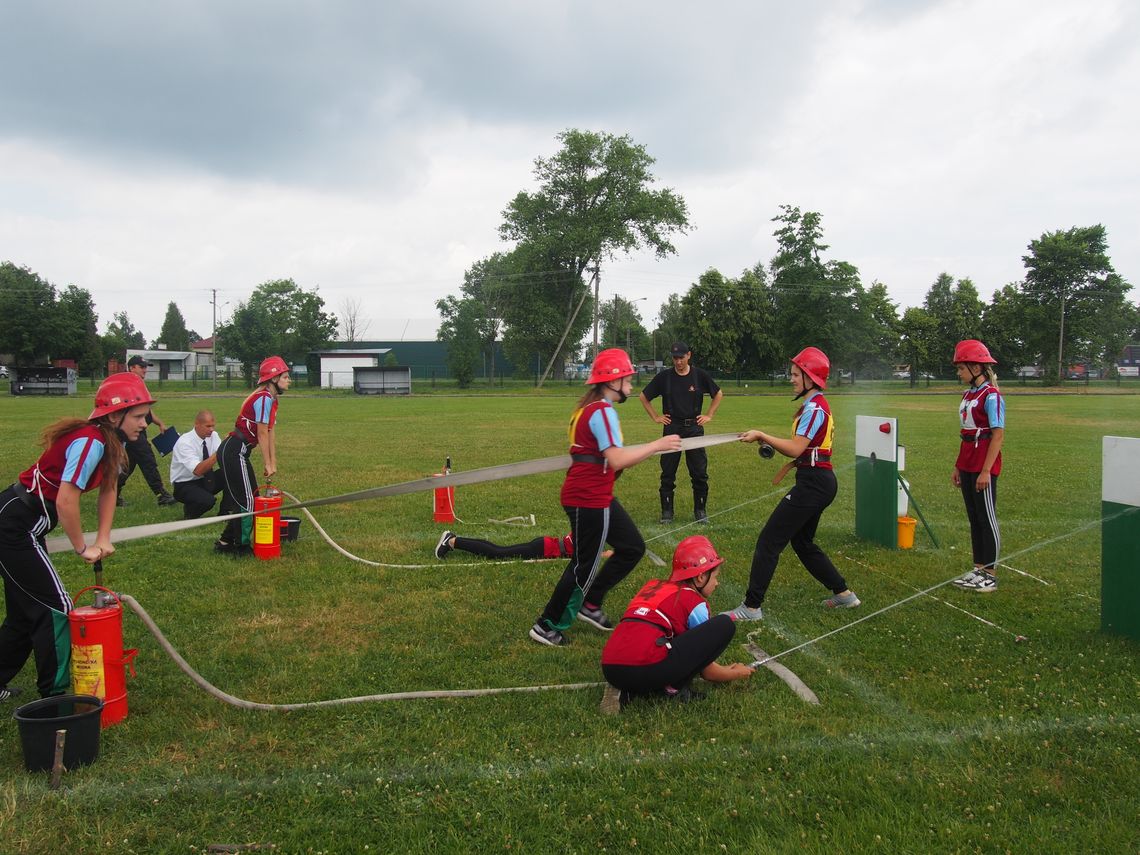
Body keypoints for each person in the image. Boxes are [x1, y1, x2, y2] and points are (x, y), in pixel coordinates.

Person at [0, 372, 154, 700]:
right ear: (115, 415)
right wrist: (81, 547)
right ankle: (54, 700)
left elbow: (108, 489)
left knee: (23, 614)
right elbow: (66, 499)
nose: (145, 423)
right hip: (14, 524)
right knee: (57, 607)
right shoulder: (91, 441)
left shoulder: (113, 441)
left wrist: (104, 537)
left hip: (23, 525)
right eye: (139, 416)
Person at [529, 348, 683, 647]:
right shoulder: (602, 411)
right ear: (612, 381)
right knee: (582, 565)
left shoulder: (592, 409)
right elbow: (615, 459)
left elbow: (612, 459)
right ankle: (547, 624)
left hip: (597, 494)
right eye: (627, 379)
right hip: (588, 498)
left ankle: (591, 602)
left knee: (631, 547)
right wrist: (656, 444)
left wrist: (650, 449)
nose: (631, 384)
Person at [728, 347, 860, 620]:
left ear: (810, 378)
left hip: (814, 483)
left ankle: (751, 607)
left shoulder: (815, 408)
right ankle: (844, 595)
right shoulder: (814, 406)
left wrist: (762, 434)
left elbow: (796, 449)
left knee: (769, 541)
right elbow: (800, 448)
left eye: (796, 374)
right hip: (817, 481)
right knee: (802, 542)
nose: (791, 379)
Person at [601, 535, 754, 710]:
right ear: (700, 578)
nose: (717, 583)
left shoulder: (652, 586)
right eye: (715, 576)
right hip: (642, 668)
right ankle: (672, 689)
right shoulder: (694, 603)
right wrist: (735, 673)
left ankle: (636, 688)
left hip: (610, 668)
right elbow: (706, 671)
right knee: (725, 624)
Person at [639, 341, 723, 523]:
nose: (678, 362)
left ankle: (700, 511)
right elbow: (643, 397)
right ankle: (667, 513)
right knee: (668, 473)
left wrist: (709, 414)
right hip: (672, 428)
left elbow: (718, 393)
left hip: (694, 428)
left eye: (681, 358)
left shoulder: (699, 375)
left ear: (689, 355)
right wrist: (656, 417)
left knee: (699, 473)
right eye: (675, 358)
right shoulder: (664, 377)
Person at [216, 356, 291, 554]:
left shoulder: (271, 400)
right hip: (234, 450)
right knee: (247, 500)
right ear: (274, 379)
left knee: (251, 497)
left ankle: (225, 542)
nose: (288, 380)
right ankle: (240, 547)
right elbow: (261, 433)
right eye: (285, 376)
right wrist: (266, 463)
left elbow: (270, 432)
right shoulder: (264, 398)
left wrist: (273, 462)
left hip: (240, 451)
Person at [950, 339, 1005, 592]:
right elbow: (966, 433)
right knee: (974, 517)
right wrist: (959, 466)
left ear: (976, 367)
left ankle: (990, 574)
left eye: (962, 368)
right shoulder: (969, 394)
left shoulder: (991, 396)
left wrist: (986, 470)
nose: (959, 373)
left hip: (984, 461)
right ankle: (978, 568)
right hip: (968, 459)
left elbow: (997, 435)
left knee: (986, 518)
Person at [117, 356, 177, 507]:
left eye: (145, 366)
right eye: (141, 366)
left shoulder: (138, 384)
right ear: (132, 368)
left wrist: (160, 423)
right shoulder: (126, 385)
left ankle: (113, 493)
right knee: (148, 460)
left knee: (128, 465)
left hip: (139, 430)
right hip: (131, 431)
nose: (145, 369)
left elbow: (146, 411)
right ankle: (161, 494)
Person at [170, 409, 224, 520]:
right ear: (197, 424)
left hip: (205, 479)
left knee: (231, 473)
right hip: (185, 484)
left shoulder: (213, 435)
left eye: (213, 426)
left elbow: (223, 457)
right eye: (208, 426)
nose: (211, 430)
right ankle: (190, 513)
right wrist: (220, 452)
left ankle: (226, 511)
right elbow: (198, 470)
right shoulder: (184, 442)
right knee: (208, 501)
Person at [436, 530, 574, 561]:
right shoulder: (592, 534)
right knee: (498, 553)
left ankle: (454, 540)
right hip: (544, 548)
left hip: (545, 545)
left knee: (498, 550)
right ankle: (451, 541)